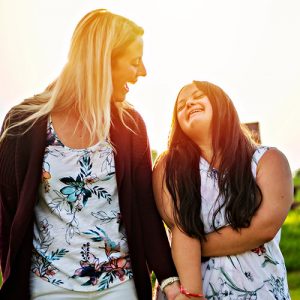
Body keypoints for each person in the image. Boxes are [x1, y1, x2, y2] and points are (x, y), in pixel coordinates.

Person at [0, 9, 180, 300]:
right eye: (134, 62)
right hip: (46, 288)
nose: (143, 71)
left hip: (120, 287)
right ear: (103, 62)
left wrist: (169, 281)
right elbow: (6, 216)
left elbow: (146, 211)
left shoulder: (130, 125)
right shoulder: (23, 123)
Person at [153, 80, 293, 299]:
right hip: (193, 293)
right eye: (181, 105)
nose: (189, 103)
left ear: (220, 102)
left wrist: (191, 248)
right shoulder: (167, 167)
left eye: (198, 96)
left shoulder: (268, 160)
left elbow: (264, 228)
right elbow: (179, 228)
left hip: (262, 291)